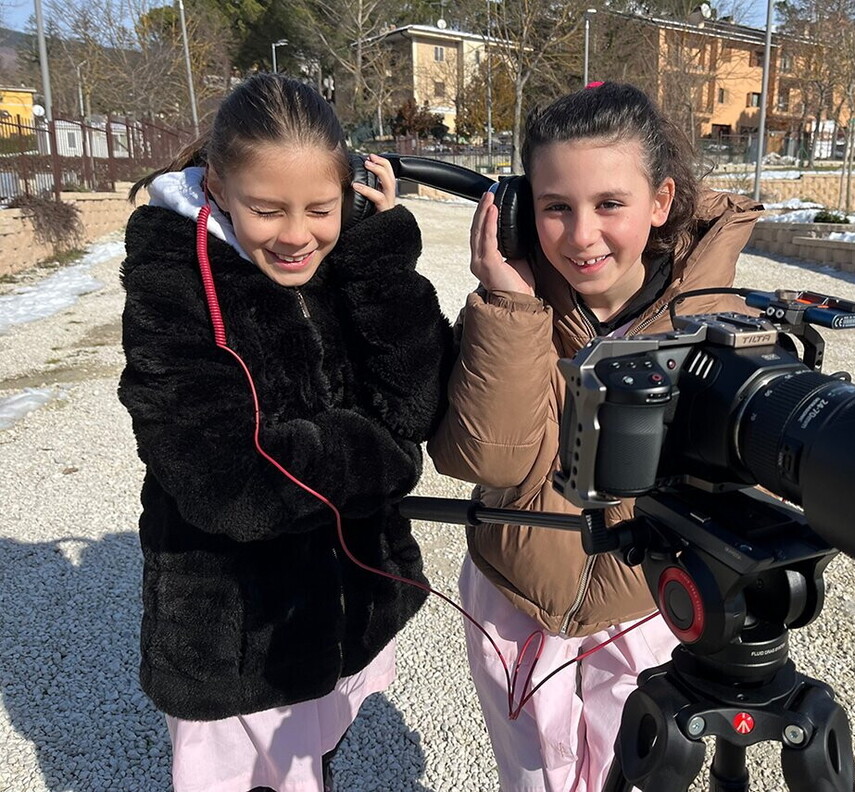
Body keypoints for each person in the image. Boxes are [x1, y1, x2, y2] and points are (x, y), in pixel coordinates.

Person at [118, 73, 451, 792]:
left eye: (321, 209)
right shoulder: (173, 284)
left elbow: (418, 400)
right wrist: (385, 454)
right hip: (235, 643)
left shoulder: (350, 257)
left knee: (318, 763)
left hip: (343, 607)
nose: (297, 236)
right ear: (217, 190)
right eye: (266, 210)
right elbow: (228, 483)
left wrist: (379, 259)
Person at [427, 81, 763, 792]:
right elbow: (483, 459)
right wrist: (510, 310)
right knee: (533, 779)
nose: (581, 237)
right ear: (523, 209)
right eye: (556, 208)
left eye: (610, 203)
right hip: (515, 600)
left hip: (643, 607)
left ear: (661, 202)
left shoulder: (715, 319)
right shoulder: (509, 307)